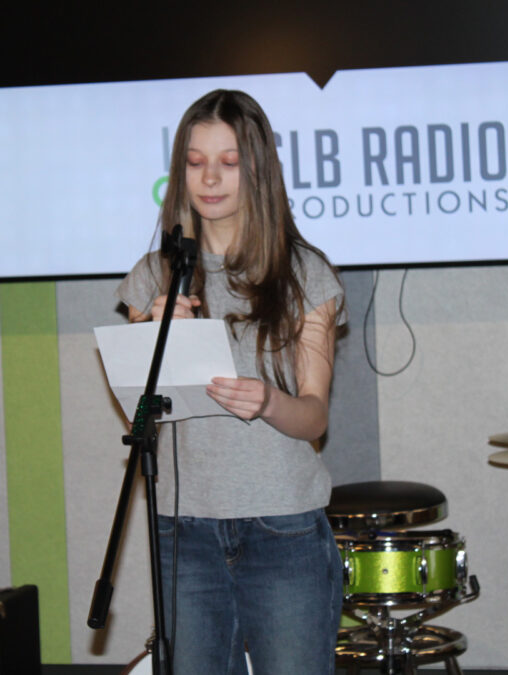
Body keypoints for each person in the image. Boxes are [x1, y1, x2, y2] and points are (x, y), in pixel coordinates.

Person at [116, 89, 346, 674]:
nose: (209, 178)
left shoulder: (304, 272)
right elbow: (139, 417)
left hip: (283, 528)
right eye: (195, 162)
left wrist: (270, 401)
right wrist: (153, 330)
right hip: (182, 529)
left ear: (257, 168)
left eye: (228, 161)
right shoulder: (153, 278)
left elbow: (315, 416)